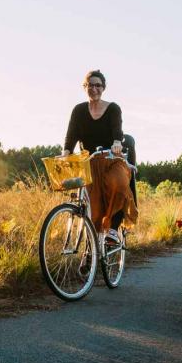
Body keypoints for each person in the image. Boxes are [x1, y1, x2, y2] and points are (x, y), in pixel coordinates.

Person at [63, 69, 137, 240]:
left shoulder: (112, 108)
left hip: (112, 158)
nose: (94, 88)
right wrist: (66, 153)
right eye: (90, 85)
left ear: (103, 88)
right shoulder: (79, 110)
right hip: (89, 162)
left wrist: (117, 143)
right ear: (85, 87)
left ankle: (112, 229)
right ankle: (91, 254)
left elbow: (117, 130)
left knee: (118, 184)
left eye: (98, 85)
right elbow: (71, 135)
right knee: (92, 209)